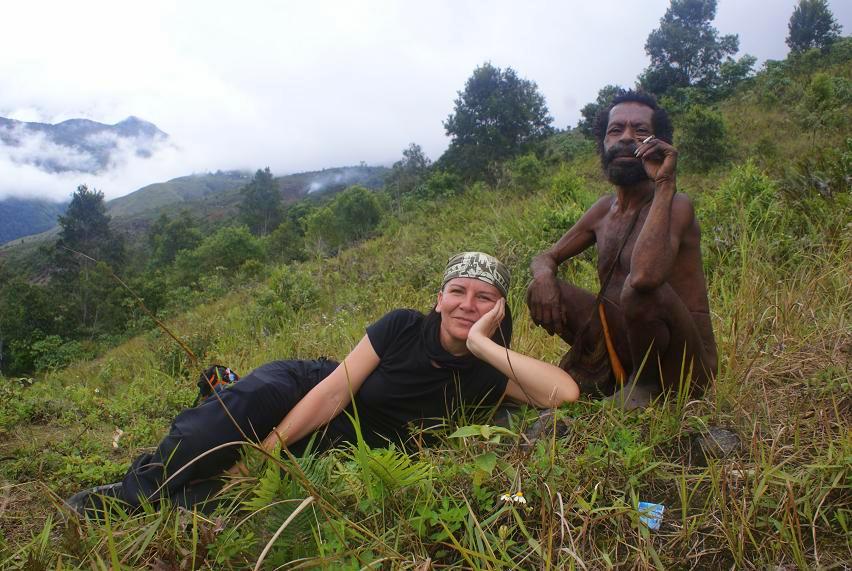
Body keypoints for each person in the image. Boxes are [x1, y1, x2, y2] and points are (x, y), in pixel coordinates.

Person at [67, 252, 578, 515]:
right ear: (438, 299)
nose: (467, 304)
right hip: (309, 388)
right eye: (457, 292)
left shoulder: (493, 371)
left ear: (499, 309)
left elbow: (565, 393)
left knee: (219, 498)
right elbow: (335, 392)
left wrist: (484, 345)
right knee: (213, 430)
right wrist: (267, 451)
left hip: (336, 443)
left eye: (484, 297)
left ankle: (180, 482)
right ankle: (128, 494)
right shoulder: (402, 326)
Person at [526, 91, 717, 409]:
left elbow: (645, 278)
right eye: (615, 130)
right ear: (603, 143)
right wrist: (544, 277)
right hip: (624, 347)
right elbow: (545, 257)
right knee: (542, 285)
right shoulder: (604, 210)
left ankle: (645, 386)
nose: (627, 137)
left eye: (640, 131)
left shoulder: (676, 204)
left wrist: (664, 185)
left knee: (638, 289)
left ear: (660, 144)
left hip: (684, 366)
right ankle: (603, 370)